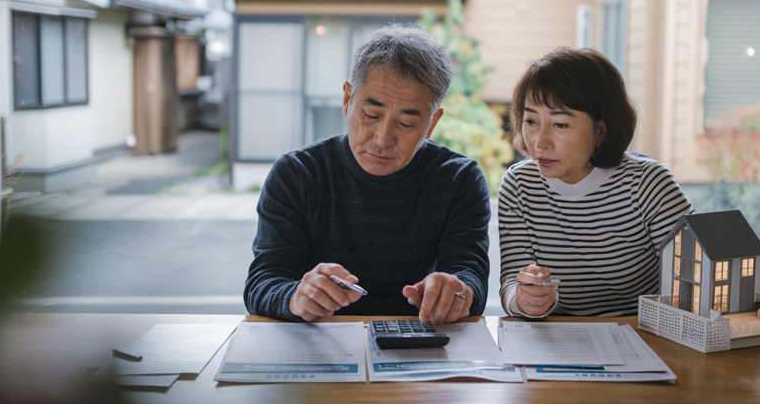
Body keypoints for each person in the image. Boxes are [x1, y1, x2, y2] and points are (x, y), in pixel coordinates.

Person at [244, 23, 490, 323]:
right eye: (371, 114)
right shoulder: (297, 174)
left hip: (419, 341)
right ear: (347, 99)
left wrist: (458, 292)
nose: (383, 138)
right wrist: (295, 297)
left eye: (407, 123)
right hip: (320, 342)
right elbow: (263, 282)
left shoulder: (458, 179)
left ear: (432, 123)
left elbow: (471, 276)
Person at [499, 47, 691, 318]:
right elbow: (511, 282)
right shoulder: (519, 185)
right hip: (555, 341)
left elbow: (691, 279)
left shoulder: (647, 184)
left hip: (641, 338)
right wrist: (524, 299)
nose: (540, 142)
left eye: (560, 125)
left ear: (600, 130)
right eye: (531, 121)